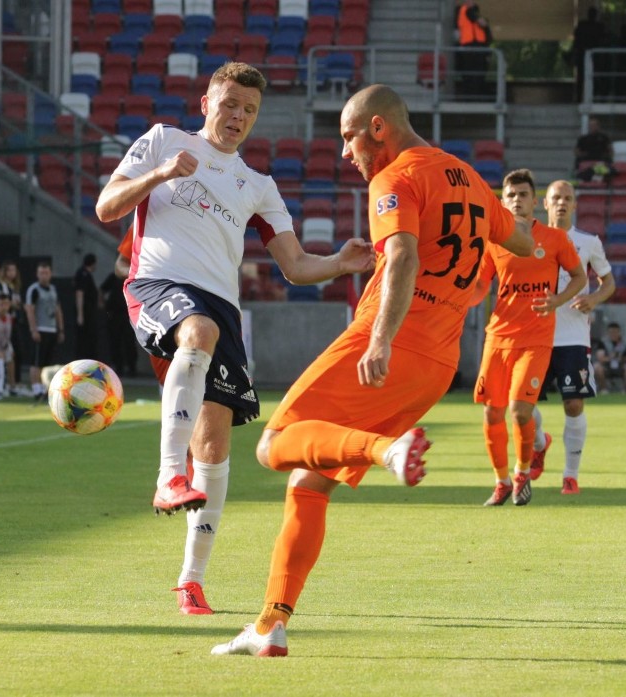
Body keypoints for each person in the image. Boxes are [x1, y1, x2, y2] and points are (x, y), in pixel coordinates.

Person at [210, 84, 534, 657]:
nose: (344, 153)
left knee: (274, 444)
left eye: (348, 137)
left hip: (388, 343)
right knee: (308, 484)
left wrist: (380, 338)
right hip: (439, 362)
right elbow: (525, 244)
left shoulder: (396, 177)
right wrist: (474, 274)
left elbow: (405, 254)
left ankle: (387, 452)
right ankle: (271, 623)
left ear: (378, 128)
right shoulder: (469, 179)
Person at [94, 61, 376, 616]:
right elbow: (108, 207)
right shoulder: (162, 141)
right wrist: (159, 175)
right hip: (158, 284)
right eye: (230, 105)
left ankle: (190, 580)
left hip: (221, 307)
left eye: (249, 111)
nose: (238, 117)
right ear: (207, 103)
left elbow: (294, 266)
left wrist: (341, 264)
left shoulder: (259, 186)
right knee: (198, 330)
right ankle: (167, 476)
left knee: (217, 446)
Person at [470, 169, 587, 507]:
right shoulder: (494, 242)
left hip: (536, 338)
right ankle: (501, 481)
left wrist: (558, 300)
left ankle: (522, 473)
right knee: (492, 414)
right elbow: (480, 286)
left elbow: (579, 277)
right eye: (511, 195)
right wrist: (458, 298)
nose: (517, 200)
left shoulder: (554, 239)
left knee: (520, 412)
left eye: (523, 195)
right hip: (498, 338)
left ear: (535, 202)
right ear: (502, 202)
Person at [528, 181, 616, 496]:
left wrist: (594, 300)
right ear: (545, 204)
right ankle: (540, 442)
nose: (562, 203)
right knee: (523, 405)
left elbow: (608, 282)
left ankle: (570, 475)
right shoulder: (528, 238)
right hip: (535, 333)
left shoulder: (588, 242)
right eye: (556, 198)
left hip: (573, 337)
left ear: (575, 205)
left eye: (567, 198)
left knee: (574, 404)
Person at [24, 260, 65, 400]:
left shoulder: (53, 289)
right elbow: (29, 309)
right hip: (40, 328)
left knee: (47, 362)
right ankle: (36, 388)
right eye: (41, 273)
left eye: (46, 272)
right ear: (37, 274)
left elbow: (58, 309)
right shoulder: (34, 289)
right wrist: (33, 329)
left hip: (52, 329)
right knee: (36, 360)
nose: (44, 275)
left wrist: (60, 329)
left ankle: (44, 387)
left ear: (50, 274)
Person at [456, 1, 492, 100]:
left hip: (475, 46)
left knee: (474, 73)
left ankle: (474, 95)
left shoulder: (467, 12)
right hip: (472, 46)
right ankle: (473, 96)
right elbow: (482, 23)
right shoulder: (467, 11)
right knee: (474, 72)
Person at [0, 259, 26, 386]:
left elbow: (18, 304)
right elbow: (4, 303)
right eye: (9, 270)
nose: (12, 273)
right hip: (5, 322)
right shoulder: (2, 286)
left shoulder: (14, 287)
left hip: (15, 321)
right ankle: (6, 381)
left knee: (18, 351)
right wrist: (12, 304)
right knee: (7, 352)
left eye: (14, 270)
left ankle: (15, 380)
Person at [572, 7, 606, 101]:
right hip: (583, 55)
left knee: (594, 78)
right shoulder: (583, 25)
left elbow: (602, 41)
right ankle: (579, 98)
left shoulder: (598, 27)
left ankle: (593, 97)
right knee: (581, 78)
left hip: (594, 57)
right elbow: (576, 41)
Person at [593, 321, 626, 393]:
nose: (613, 334)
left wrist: (620, 358)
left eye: (615, 332)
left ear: (619, 332)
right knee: (597, 367)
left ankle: (625, 390)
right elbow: (600, 358)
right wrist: (611, 357)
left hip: (621, 366)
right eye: (611, 332)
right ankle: (604, 390)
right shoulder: (603, 342)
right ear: (608, 333)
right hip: (607, 367)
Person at [74, 253, 101, 359]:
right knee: (85, 340)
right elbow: (79, 293)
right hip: (86, 313)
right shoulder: (83, 274)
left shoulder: (85, 274)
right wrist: (80, 314)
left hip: (89, 312)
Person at [574, 117, 614, 182]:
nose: (592, 127)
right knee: (578, 161)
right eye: (591, 125)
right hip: (587, 157)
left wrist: (608, 156)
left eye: (594, 125)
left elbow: (611, 150)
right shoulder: (583, 138)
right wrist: (582, 154)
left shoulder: (604, 137)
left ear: (598, 126)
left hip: (600, 158)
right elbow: (576, 151)